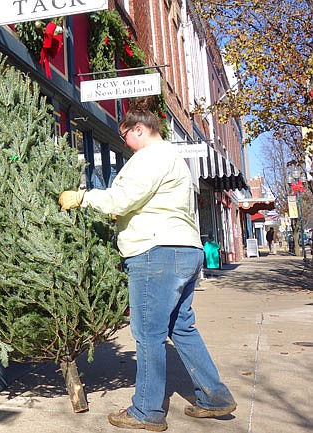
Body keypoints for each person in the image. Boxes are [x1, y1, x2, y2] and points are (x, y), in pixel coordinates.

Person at [59, 105, 236, 431]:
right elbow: (149, 202)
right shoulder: (173, 159)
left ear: (139, 129)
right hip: (185, 250)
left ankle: (147, 411)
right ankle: (215, 397)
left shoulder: (150, 157)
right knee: (181, 328)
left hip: (156, 254)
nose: (125, 143)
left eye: (126, 135)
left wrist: (82, 198)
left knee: (148, 334)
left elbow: (124, 198)